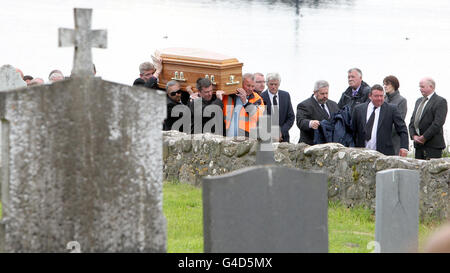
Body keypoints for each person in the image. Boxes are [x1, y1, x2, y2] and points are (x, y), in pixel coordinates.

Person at [352, 84, 409, 156]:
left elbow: (402, 129)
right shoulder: (359, 109)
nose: (379, 99)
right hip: (362, 153)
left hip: (384, 154)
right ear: (370, 96)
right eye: (376, 96)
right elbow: (353, 131)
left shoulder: (391, 109)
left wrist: (404, 147)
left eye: (381, 96)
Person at [408, 77, 448, 159]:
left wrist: (424, 137)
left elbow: (438, 123)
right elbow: (413, 121)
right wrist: (413, 136)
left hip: (433, 146)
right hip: (418, 146)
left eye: (422, 87)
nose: (420, 89)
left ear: (431, 87)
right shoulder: (418, 101)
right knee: (417, 171)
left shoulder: (440, 101)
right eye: (420, 87)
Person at [296, 80, 339, 145]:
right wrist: (310, 123)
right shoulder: (304, 105)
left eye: (326, 93)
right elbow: (300, 122)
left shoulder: (334, 104)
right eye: (322, 94)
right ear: (315, 93)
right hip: (311, 145)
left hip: (330, 145)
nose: (325, 96)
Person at [222, 73, 264, 138]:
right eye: (248, 85)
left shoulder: (257, 98)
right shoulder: (229, 95)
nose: (250, 89)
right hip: (226, 136)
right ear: (241, 84)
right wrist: (219, 98)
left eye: (253, 86)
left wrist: (246, 102)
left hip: (245, 138)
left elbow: (259, 117)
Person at [260, 73, 295, 142]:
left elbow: (291, 117)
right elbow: (261, 119)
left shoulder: (285, 95)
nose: (273, 87)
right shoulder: (261, 97)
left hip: (284, 137)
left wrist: (281, 132)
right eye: (271, 84)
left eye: (276, 84)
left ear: (279, 84)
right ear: (267, 84)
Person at [383, 75, 408, 155]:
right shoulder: (382, 99)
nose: (385, 86)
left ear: (394, 85)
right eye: (384, 84)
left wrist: (384, 130)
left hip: (394, 140)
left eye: (387, 84)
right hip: (381, 140)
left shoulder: (402, 101)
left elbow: (399, 122)